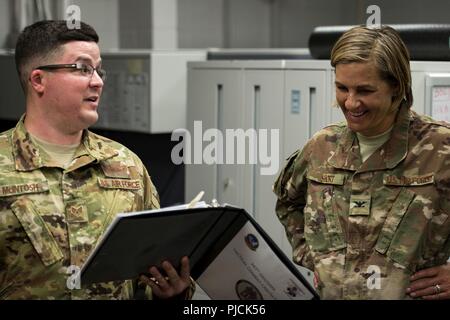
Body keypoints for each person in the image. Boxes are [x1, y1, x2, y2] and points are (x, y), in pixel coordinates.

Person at [0, 20, 194, 299]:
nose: (98, 81)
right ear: (38, 80)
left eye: (98, 69)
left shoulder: (126, 165)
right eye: (82, 68)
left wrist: (172, 292)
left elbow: (146, 279)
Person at [273, 25, 450, 299]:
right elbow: (288, 202)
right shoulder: (323, 146)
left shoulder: (439, 148)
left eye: (365, 90)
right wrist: (315, 256)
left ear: (396, 86)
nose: (351, 103)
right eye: (342, 88)